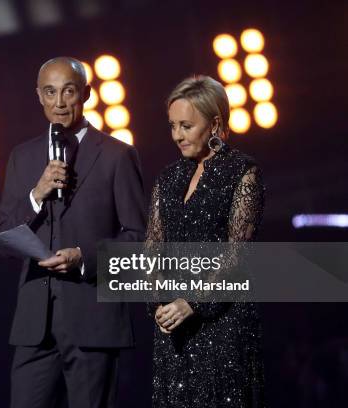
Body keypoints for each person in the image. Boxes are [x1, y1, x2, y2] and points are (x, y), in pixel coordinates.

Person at [0, 57, 147, 408]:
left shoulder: (116, 155)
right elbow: (4, 234)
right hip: (34, 324)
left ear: (87, 93)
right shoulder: (22, 157)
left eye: (68, 91)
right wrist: (37, 193)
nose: (60, 102)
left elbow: (139, 239)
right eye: (50, 92)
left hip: (92, 319)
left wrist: (85, 258)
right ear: (39, 96)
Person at [146, 75, 265, 407]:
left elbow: (237, 256)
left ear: (214, 124)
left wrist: (192, 303)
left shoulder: (242, 172)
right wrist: (158, 302)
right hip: (172, 326)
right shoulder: (168, 177)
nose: (177, 135)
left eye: (186, 125)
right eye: (172, 126)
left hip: (222, 325)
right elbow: (153, 247)